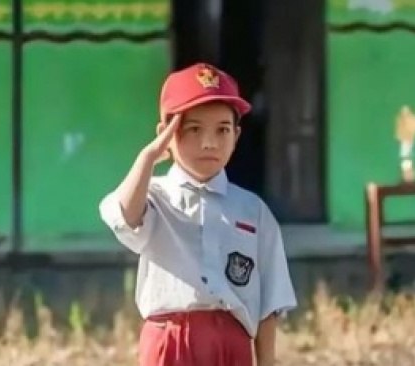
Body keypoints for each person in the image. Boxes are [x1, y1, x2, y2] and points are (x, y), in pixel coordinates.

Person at [99, 62, 297, 366]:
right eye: (193, 129)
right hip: (170, 342)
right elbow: (124, 218)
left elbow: (268, 302)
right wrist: (148, 158)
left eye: (222, 130)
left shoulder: (253, 210)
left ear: (237, 135)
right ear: (166, 133)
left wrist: (267, 361)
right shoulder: (153, 195)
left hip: (232, 344)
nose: (209, 143)